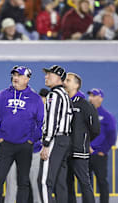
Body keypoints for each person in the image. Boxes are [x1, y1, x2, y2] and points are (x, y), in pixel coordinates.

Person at [0, 66, 43, 203]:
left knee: (23, 182)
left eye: (19, 75)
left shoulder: (35, 98)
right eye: (14, 75)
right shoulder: (2, 95)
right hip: (6, 144)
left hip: (25, 146)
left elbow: (42, 122)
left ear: (27, 79)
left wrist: (31, 139)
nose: (15, 78)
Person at [38, 65, 73, 203]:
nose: (46, 77)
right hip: (65, 140)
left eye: (49, 74)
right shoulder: (65, 95)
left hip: (55, 140)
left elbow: (52, 120)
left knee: (44, 181)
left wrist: (46, 143)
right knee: (60, 183)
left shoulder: (54, 94)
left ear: (59, 78)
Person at [64, 73, 100, 203]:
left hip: (79, 151)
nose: (64, 82)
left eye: (68, 80)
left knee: (84, 183)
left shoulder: (85, 105)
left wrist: (84, 140)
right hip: (64, 151)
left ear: (76, 85)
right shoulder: (63, 102)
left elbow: (95, 129)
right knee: (67, 185)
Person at [87, 88, 117, 203]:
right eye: (90, 95)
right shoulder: (87, 114)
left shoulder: (107, 116)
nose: (91, 98)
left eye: (94, 96)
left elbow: (111, 136)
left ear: (100, 98)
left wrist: (102, 151)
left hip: (98, 155)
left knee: (102, 181)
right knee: (86, 183)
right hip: (86, 153)